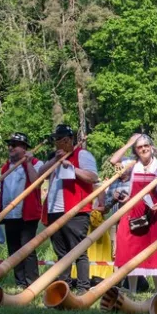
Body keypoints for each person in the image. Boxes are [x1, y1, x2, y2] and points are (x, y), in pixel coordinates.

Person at [111, 133, 157, 293]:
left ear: (151, 147)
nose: (144, 149)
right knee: (129, 249)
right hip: (132, 211)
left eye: (146, 146)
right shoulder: (132, 164)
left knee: (156, 251)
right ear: (136, 150)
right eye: (139, 147)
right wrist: (129, 143)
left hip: (154, 214)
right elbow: (114, 161)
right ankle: (132, 290)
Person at [44, 124, 99, 296]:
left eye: (59, 140)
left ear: (68, 140)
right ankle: (65, 284)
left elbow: (93, 177)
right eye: (55, 141)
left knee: (78, 250)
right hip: (54, 210)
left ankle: (83, 287)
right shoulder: (54, 157)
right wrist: (55, 161)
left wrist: (71, 167)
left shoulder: (82, 154)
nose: (56, 144)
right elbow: (40, 173)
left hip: (76, 210)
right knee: (61, 252)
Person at [0, 132, 46, 288]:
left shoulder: (36, 163)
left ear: (24, 148)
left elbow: (36, 184)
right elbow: (2, 192)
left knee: (27, 249)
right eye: (9, 145)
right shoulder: (5, 167)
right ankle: (19, 282)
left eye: (14, 145)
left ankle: (32, 282)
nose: (10, 148)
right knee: (14, 249)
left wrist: (28, 163)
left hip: (27, 215)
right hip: (9, 214)